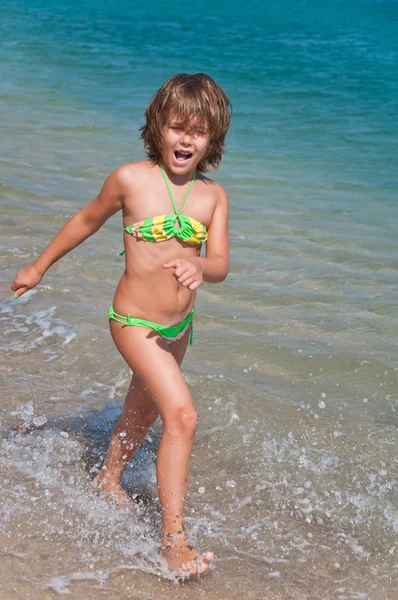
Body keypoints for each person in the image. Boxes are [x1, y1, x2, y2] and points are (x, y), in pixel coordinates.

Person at [11, 73, 232, 580]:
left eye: (197, 132)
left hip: (179, 327)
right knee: (183, 416)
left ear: (212, 139)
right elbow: (86, 220)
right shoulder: (130, 179)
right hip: (133, 322)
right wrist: (39, 267)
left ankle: (108, 479)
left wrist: (202, 268)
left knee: (144, 406)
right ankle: (173, 540)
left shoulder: (213, 197)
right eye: (177, 127)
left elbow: (220, 261)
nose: (185, 139)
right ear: (157, 127)